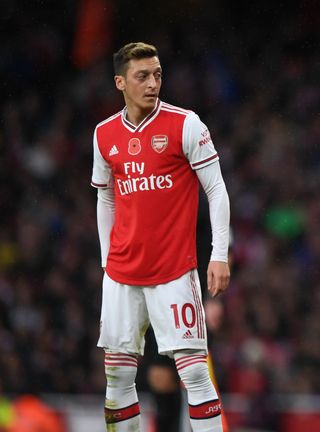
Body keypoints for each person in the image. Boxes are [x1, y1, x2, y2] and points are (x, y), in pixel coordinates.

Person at [91, 41, 231, 432]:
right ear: (121, 82)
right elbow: (105, 196)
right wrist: (107, 262)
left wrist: (219, 253)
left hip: (174, 271)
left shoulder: (186, 125)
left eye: (157, 75)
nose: (153, 83)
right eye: (142, 76)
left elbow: (216, 189)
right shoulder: (104, 135)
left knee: (194, 374)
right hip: (121, 273)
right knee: (118, 377)